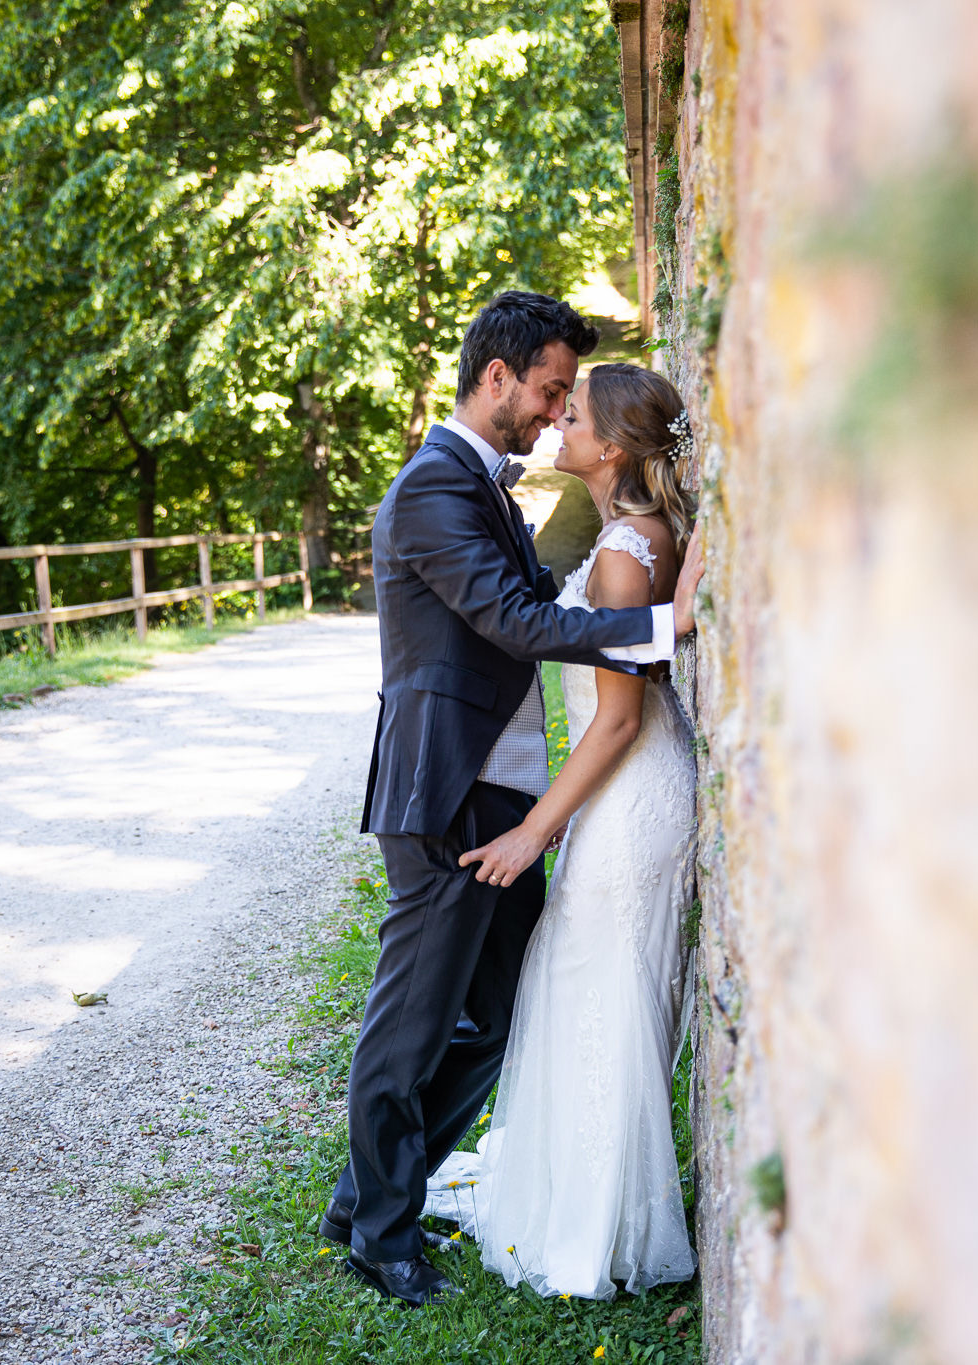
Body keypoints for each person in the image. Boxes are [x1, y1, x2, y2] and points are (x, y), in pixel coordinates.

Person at [322, 292, 704, 1306]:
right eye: (546, 390)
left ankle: (366, 1193)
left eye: (564, 398)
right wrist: (665, 628)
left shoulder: (486, 486)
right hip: (446, 796)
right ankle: (380, 1236)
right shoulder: (431, 488)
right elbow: (516, 622)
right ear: (496, 377)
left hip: (508, 792)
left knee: (497, 1019)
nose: (552, 410)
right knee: (411, 1028)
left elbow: (540, 601)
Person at [423, 362, 699, 1299]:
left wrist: (533, 832)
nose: (556, 423)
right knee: (595, 989)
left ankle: (594, 1227)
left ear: (610, 446)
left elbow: (618, 719)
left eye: (571, 415)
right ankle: (592, 1199)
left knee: (600, 996)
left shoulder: (623, 550)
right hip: (628, 788)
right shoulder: (637, 536)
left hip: (628, 790)